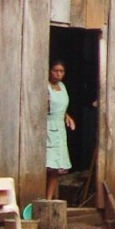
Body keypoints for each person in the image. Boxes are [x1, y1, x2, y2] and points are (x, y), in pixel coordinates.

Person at [44, 61, 75, 202]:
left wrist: (67, 116)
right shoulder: (45, 87)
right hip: (48, 127)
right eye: (55, 70)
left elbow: (60, 108)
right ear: (49, 71)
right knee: (47, 165)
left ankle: (49, 200)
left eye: (61, 71)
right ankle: (40, 198)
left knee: (56, 168)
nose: (58, 74)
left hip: (59, 130)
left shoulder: (62, 86)